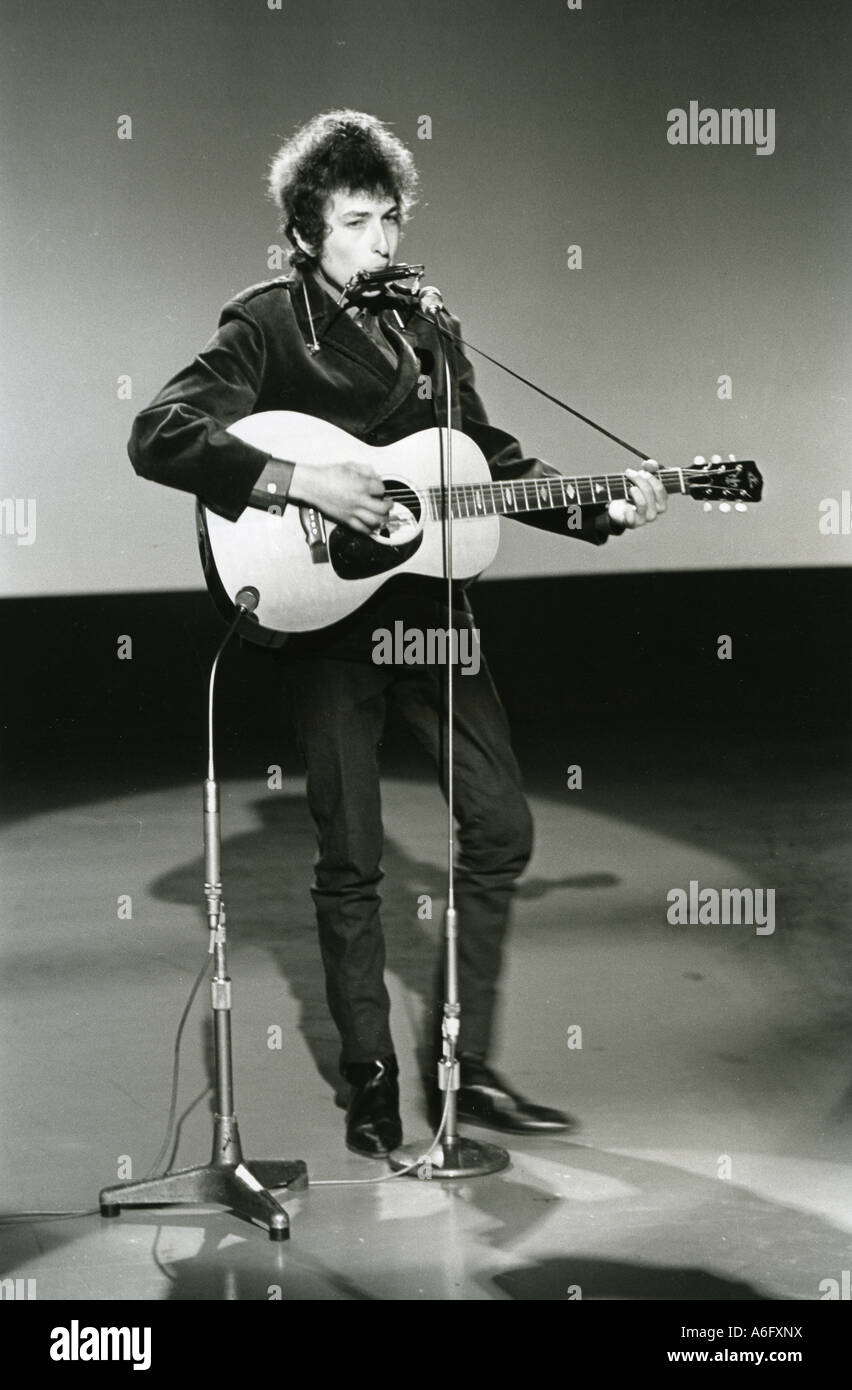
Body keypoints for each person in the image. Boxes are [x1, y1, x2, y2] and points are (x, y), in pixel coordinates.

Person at [128, 110, 668, 1158]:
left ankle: (468, 1064)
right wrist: (307, 479)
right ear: (305, 231)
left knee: (503, 827)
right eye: (357, 222)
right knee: (353, 856)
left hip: (434, 620)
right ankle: (371, 1078)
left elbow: (491, 465)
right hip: (330, 627)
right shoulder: (266, 325)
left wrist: (605, 506)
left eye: (390, 219)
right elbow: (162, 432)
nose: (381, 241)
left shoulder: (428, 326)